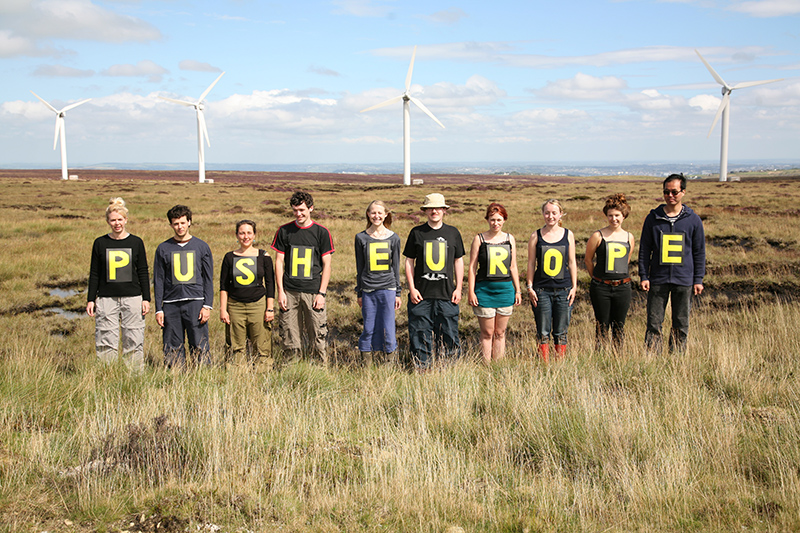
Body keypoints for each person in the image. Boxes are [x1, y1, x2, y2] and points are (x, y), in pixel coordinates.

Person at [639, 173, 706, 354]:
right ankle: (652, 359)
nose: (670, 196)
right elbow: (645, 249)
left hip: (684, 280)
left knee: (681, 323)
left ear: (683, 192)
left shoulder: (693, 220)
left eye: (674, 192)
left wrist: (698, 279)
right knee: (654, 323)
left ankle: (676, 360)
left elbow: (699, 252)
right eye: (666, 192)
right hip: (658, 279)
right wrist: (644, 275)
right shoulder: (653, 219)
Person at [86, 197, 150, 372]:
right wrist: (91, 299)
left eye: (120, 219)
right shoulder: (100, 243)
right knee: (106, 340)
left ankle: (134, 376)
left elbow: (143, 271)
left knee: (134, 339)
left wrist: (146, 298)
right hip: (107, 299)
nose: (117, 223)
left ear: (126, 220)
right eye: (113, 220)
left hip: (133, 298)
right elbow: (94, 273)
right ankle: (108, 375)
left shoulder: (136, 242)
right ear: (108, 221)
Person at [403, 193, 465, 371]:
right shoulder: (416, 233)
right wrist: (412, 288)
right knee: (419, 335)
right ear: (425, 211)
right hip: (421, 296)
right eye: (430, 208)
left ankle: (449, 372)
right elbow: (409, 261)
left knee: (449, 336)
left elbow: (458, 261)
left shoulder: (453, 233)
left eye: (438, 208)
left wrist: (459, 288)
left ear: (445, 210)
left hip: (447, 295)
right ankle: (422, 371)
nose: (434, 211)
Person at [271, 191, 334, 365]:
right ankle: (291, 370)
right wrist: (281, 292)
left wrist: (322, 293)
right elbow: (279, 262)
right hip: (289, 292)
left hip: (314, 292)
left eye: (302, 210)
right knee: (289, 334)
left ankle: (320, 371)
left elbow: (327, 265)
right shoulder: (284, 231)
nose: (298, 214)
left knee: (317, 334)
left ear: (311, 208)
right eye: (295, 210)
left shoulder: (322, 233)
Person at [153, 205, 214, 368]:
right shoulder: (162, 248)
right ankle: (176, 379)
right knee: (172, 347)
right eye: (175, 223)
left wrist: (207, 306)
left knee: (199, 345)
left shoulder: (202, 247)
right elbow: (158, 280)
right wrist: (159, 309)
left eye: (182, 222)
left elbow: (208, 279)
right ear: (171, 225)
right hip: (171, 304)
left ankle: (202, 378)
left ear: (189, 222)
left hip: (196, 303)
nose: (179, 227)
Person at [467, 203, 522, 364]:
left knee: (500, 332)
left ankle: (498, 366)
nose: (495, 223)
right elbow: (472, 267)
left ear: (504, 220)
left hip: (505, 291)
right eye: (492, 220)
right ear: (487, 220)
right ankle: (486, 365)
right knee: (487, 332)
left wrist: (518, 290)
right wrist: (471, 291)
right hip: (484, 291)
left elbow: (513, 266)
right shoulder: (479, 239)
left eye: (499, 219)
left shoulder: (509, 238)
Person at [219, 220, 275, 371]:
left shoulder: (264, 256)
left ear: (254, 235)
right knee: (236, 345)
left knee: (262, 344)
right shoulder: (229, 257)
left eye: (249, 233)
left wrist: (270, 308)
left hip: (258, 305)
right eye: (242, 233)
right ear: (236, 235)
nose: (245, 236)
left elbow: (270, 284)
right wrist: (223, 309)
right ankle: (237, 375)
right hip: (235, 306)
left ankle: (263, 374)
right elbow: (223, 286)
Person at [526, 199, 578, 362]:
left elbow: (571, 262)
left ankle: (559, 364)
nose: (550, 216)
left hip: (564, 290)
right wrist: (530, 286)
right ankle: (544, 364)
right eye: (547, 212)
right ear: (543, 214)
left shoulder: (568, 234)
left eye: (554, 213)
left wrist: (574, 286)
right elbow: (531, 263)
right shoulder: (536, 235)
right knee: (543, 331)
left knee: (561, 331)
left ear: (560, 214)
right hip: (542, 291)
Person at [584, 193, 635, 352]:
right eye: (610, 215)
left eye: (617, 215)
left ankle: (617, 358)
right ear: (606, 216)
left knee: (619, 325)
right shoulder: (597, 236)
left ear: (624, 215)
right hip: (601, 288)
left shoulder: (629, 237)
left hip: (623, 287)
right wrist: (597, 279)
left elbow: (627, 260)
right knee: (602, 325)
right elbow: (588, 260)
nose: (614, 219)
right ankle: (600, 357)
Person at [354, 200, 402, 365]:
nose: (376, 216)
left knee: (388, 328)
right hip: (368, 290)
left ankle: (389, 364)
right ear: (368, 214)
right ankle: (366, 366)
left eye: (380, 213)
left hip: (388, 289)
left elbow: (396, 267)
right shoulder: (360, 237)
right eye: (373, 212)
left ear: (386, 214)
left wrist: (398, 293)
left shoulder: (394, 238)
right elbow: (360, 268)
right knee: (368, 328)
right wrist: (359, 292)